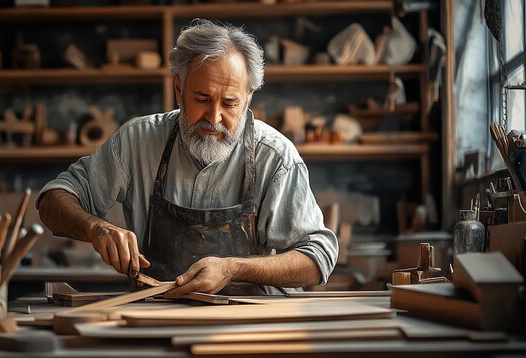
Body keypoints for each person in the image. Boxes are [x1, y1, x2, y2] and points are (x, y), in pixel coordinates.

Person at [37, 19, 338, 296]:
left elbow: (318, 258)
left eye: (230, 103)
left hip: (251, 330)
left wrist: (233, 268)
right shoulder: (138, 142)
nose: (215, 117)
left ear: (248, 98)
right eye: (202, 99)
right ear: (179, 89)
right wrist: (96, 227)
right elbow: (52, 199)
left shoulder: (275, 157)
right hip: (157, 320)